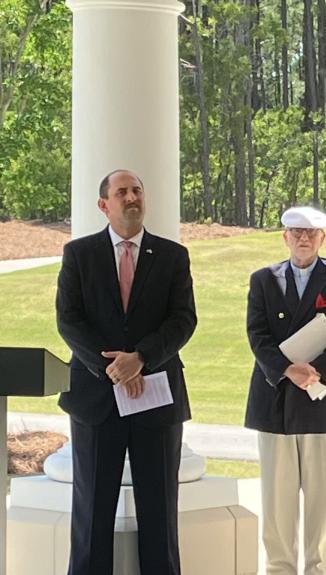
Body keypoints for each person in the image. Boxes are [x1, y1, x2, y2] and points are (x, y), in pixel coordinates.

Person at [56, 169, 197, 575]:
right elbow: (69, 320)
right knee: (92, 513)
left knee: (160, 511)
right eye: (122, 192)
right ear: (104, 205)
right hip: (96, 400)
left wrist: (141, 358)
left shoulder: (172, 256)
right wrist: (114, 369)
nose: (132, 197)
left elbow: (183, 319)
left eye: (137, 190)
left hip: (157, 398)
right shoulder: (79, 254)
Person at [244, 206, 326, 575]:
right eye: (295, 232)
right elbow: (257, 333)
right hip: (275, 398)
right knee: (277, 504)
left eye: (311, 233)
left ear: (322, 238)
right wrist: (286, 369)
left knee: (321, 504)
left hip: (321, 400)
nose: (303, 238)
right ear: (285, 237)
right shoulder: (263, 279)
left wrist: (318, 370)